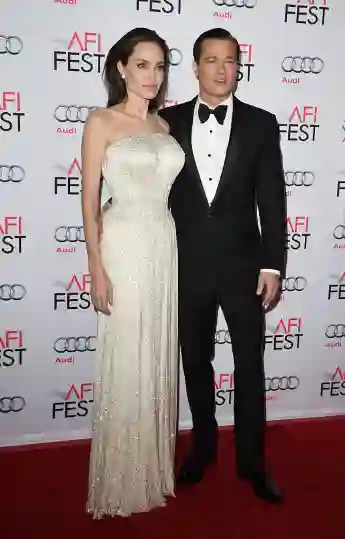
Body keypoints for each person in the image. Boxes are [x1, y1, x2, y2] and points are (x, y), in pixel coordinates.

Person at [159, 28, 286, 504]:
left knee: (250, 364)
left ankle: (252, 462)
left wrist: (273, 264)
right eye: (210, 60)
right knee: (195, 361)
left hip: (244, 267)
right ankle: (203, 449)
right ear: (194, 67)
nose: (220, 68)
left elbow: (272, 199)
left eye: (229, 60)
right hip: (186, 265)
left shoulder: (262, 123)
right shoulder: (163, 122)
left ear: (239, 66)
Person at [81, 27, 185, 518]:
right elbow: (87, 204)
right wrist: (96, 270)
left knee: (157, 353)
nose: (152, 75)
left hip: (164, 245)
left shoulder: (165, 129)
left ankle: (152, 467)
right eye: (142, 64)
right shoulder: (101, 121)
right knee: (128, 354)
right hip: (122, 244)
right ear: (121, 68)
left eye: (160, 66)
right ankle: (122, 476)